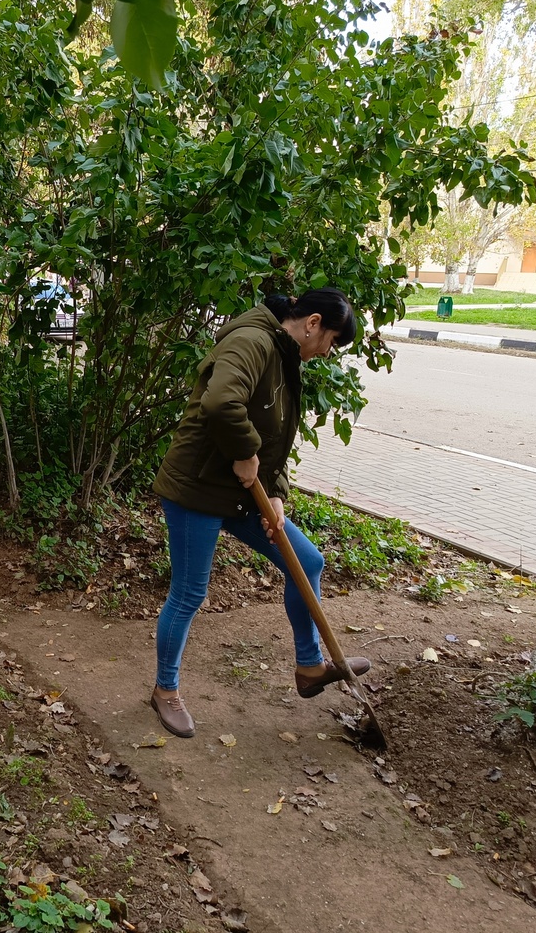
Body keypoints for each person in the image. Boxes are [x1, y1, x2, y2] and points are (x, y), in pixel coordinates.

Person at [148, 287, 371, 738]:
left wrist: (276, 493)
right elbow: (220, 403)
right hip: (197, 489)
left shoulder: (285, 355)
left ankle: (309, 668)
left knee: (307, 561)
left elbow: (276, 438)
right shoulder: (251, 341)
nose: (327, 352)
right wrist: (245, 452)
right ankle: (164, 690)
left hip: (243, 493)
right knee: (190, 593)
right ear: (312, 323)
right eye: (330, 340)